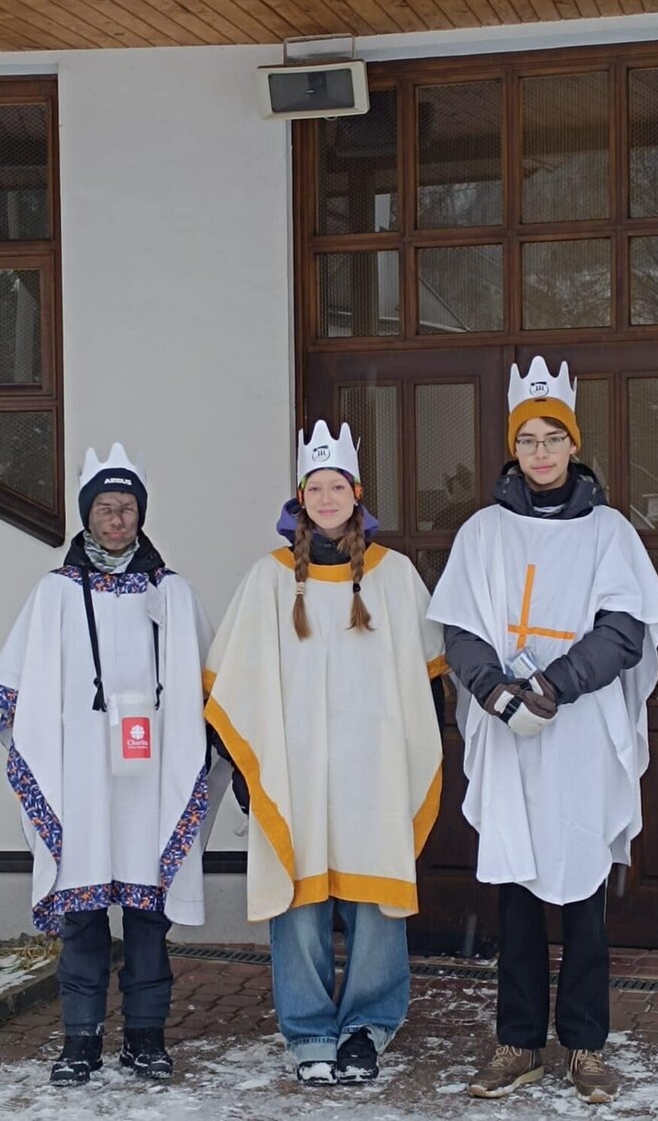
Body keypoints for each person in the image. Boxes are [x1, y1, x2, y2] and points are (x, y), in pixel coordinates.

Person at [428, 357, 658, 1106]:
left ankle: (587, 1045)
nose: (541, 452)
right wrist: (495, 690)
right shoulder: (483, 532)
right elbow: (460, 629)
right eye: (528, 439)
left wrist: (553, 686)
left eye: (553, 438)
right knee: (515, 890)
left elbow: (624, 628)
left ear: (573, 444)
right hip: (509, 732)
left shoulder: (608, 532)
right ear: (513, 447)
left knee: (584, 892)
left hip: (578, 731)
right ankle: (517, 1042)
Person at [204, 420, 447, 1086]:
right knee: (299, 900)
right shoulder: (269, 579)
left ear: (357, 494)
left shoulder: (395, 577)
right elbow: (234, 682)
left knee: (375, 897)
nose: (327, 498)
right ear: (300, 499)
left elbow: (428, 682)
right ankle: (310, 1029)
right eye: (315, 488)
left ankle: (367, 1026)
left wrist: (421, 752)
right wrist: (250, 777)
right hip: (296, 771)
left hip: (375, 771)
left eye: (337, 486)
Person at [0, 443, 215, 1087]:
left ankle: (146, 1039)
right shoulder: (54, 594)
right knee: (81, 916)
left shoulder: (173, 593)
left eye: (127, 507)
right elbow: (18, 692)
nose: (116, 518)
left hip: (149, 778)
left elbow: (207, 691)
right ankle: (79, 1041)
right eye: (105, 507)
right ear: (87, 515)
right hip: (80, 777)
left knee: (148, 917)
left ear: (142, 515)